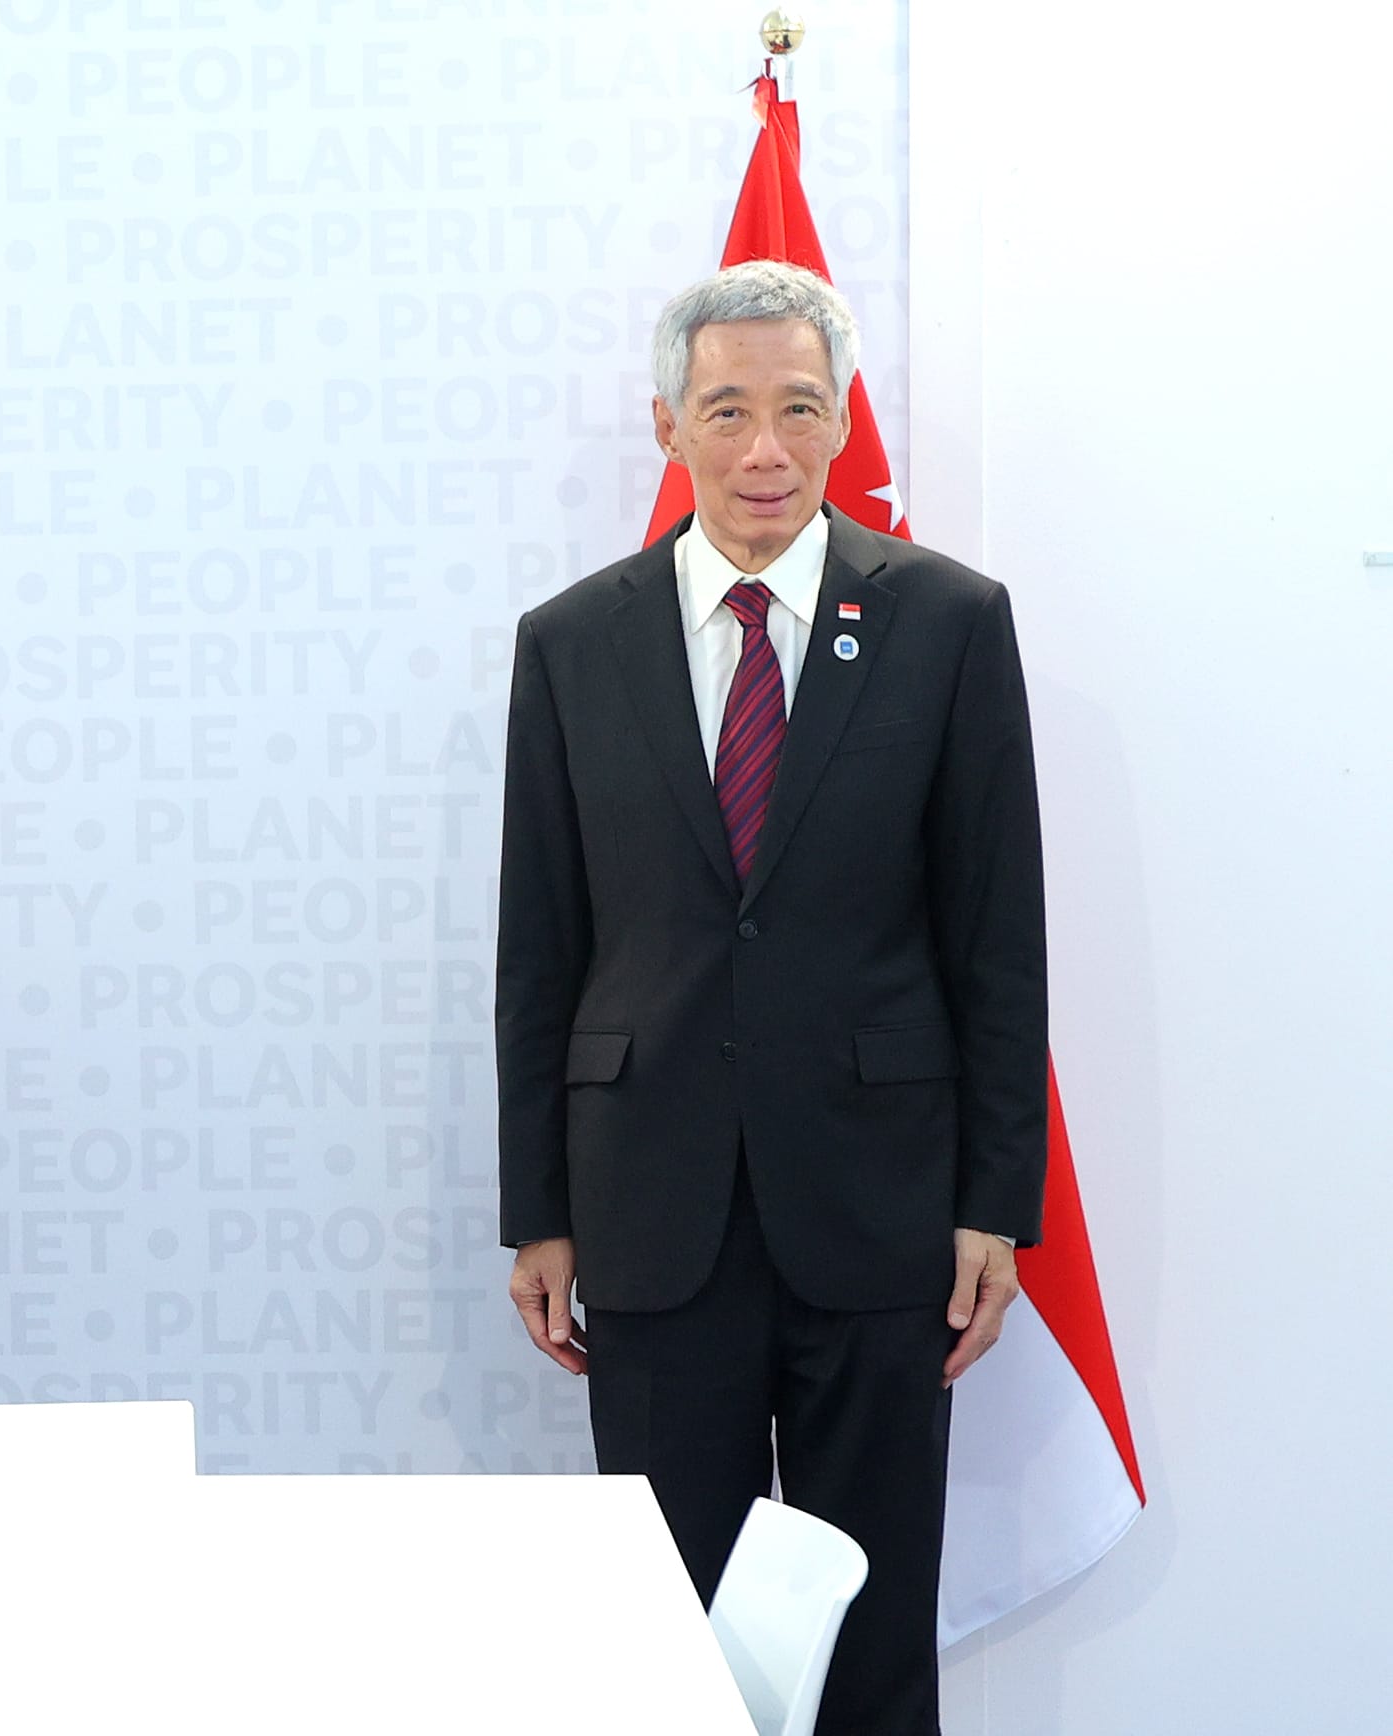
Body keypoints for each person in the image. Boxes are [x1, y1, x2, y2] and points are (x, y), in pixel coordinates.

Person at [495, 260, 1046, 1733]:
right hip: (649, 1208)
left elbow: (996, 935)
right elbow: (538, 947)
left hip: (880, 1210)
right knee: (669, 1640)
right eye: (725, 409)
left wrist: (998, 1201)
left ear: (843, 416)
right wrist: (535, 1209)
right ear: (665, 422)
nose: (763, 449)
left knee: (868, 1629)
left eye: (798, 408)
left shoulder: (944, 621)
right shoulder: (569, 644)